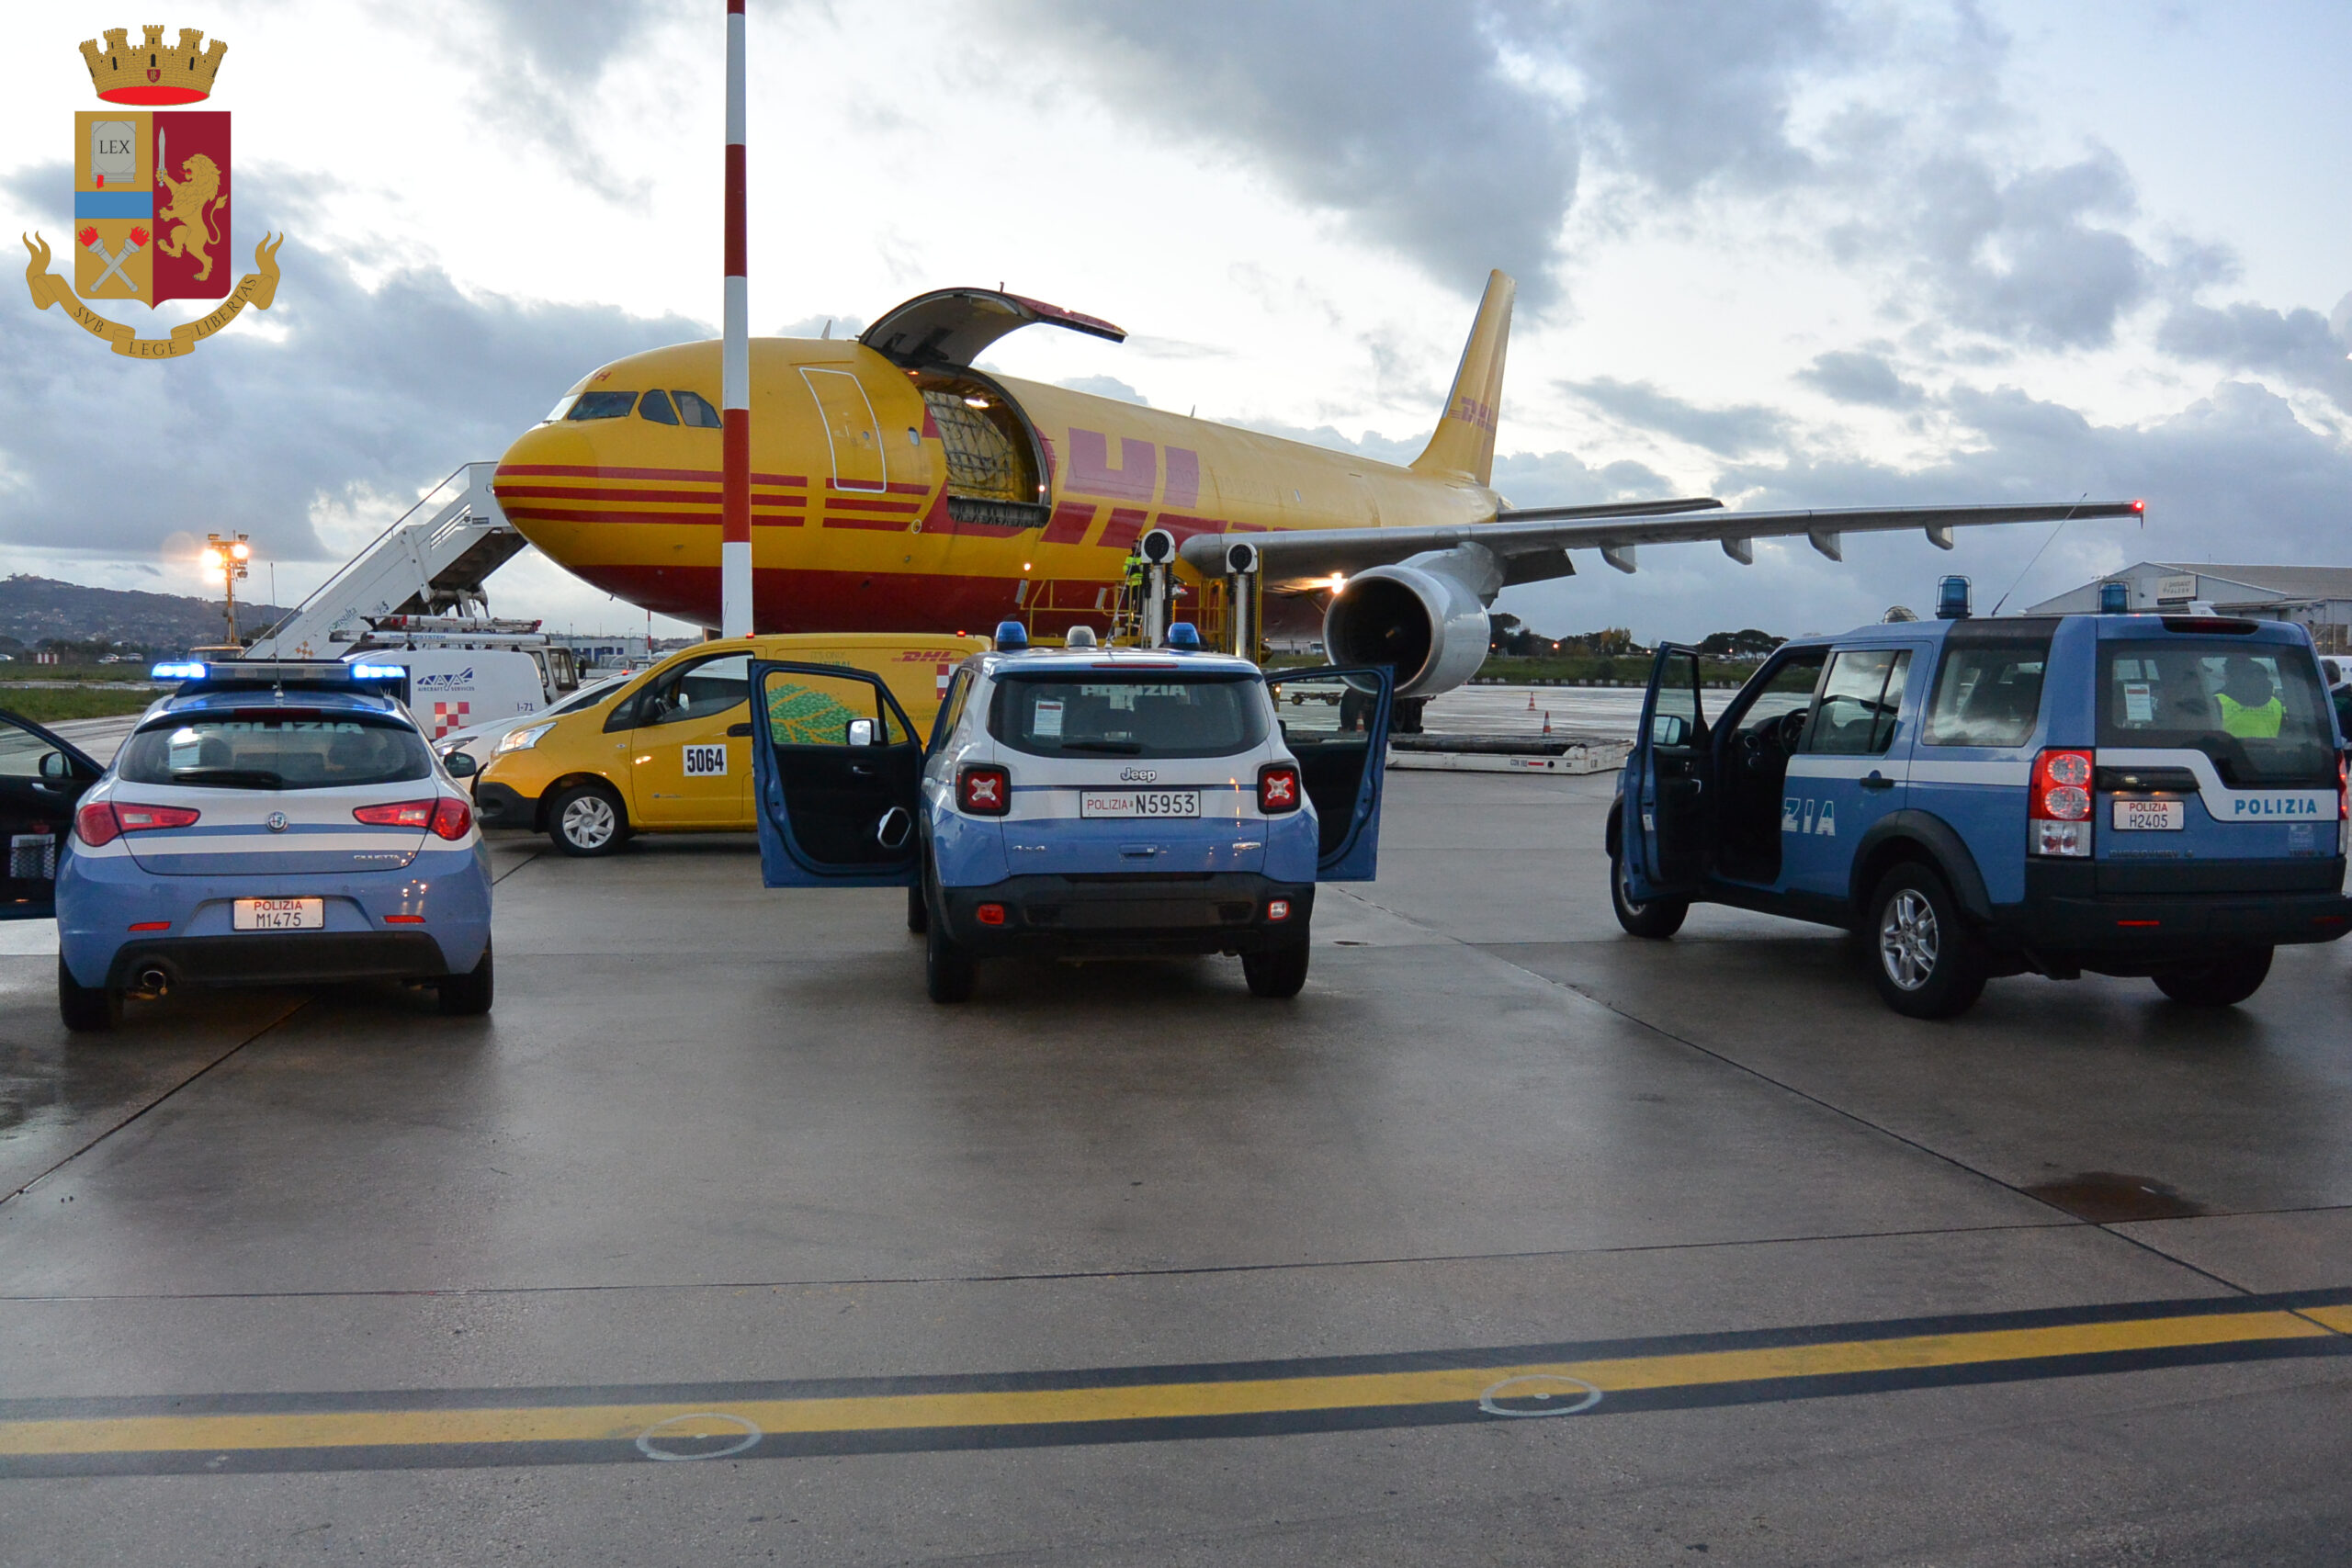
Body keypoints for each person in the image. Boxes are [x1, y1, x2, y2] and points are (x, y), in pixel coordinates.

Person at [2215, 657, 2283, 739]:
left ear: (2231, 676)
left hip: (2228, 751)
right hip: (2269, 751)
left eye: (2225, 673)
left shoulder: (2216, 702)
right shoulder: (2276, 704)